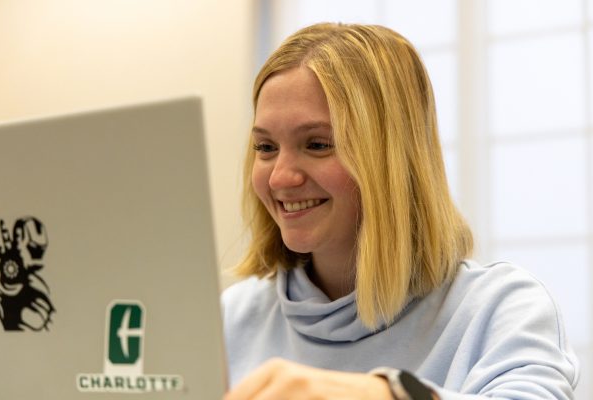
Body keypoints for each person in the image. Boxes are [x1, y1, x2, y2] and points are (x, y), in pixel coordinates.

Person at [221, 23, 579, 400]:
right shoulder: (233, 316)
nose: (280, 177)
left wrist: (386, 394)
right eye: (265, 147)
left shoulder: (499, 308)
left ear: (393, 159)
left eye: (318, 144)